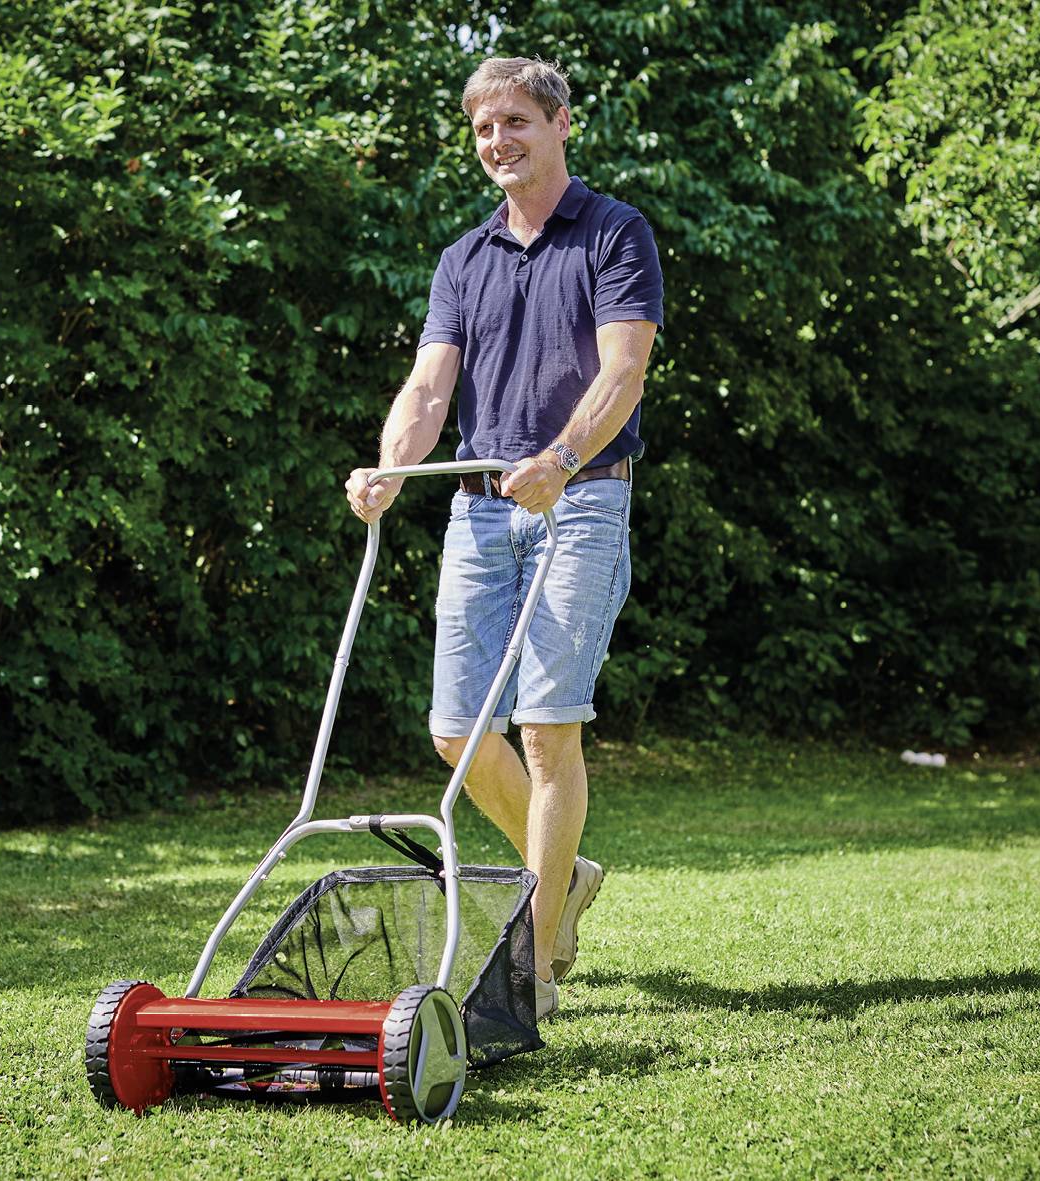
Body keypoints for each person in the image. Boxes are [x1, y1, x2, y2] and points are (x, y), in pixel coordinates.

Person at [345, 57, 663, 1020]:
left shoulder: (614, 233)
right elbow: (430, 388)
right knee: (456, 730)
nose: (499, 142)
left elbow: (624, 373)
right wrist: (392, 464)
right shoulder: (463, 259)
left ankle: (536, 958)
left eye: (517, 122)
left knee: (546, 723)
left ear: (563, 123)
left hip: (581, 501)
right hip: (480, 509)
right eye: (484, 129)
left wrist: (560, 459)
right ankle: (560, 879)